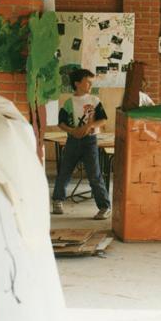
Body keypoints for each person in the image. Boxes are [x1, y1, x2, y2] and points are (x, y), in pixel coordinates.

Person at [52, 69, 111, 220]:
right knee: (65, 171)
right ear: (77, 83)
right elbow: (61, 123)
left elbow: (103, 119)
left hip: (90, 141)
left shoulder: (95, 100)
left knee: (94, 175)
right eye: (88, 82)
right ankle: (58, 200)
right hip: (73, 141)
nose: (90, 85)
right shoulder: (68, 103)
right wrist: (72, 131)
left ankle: (104, 207)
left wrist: (89, 127)